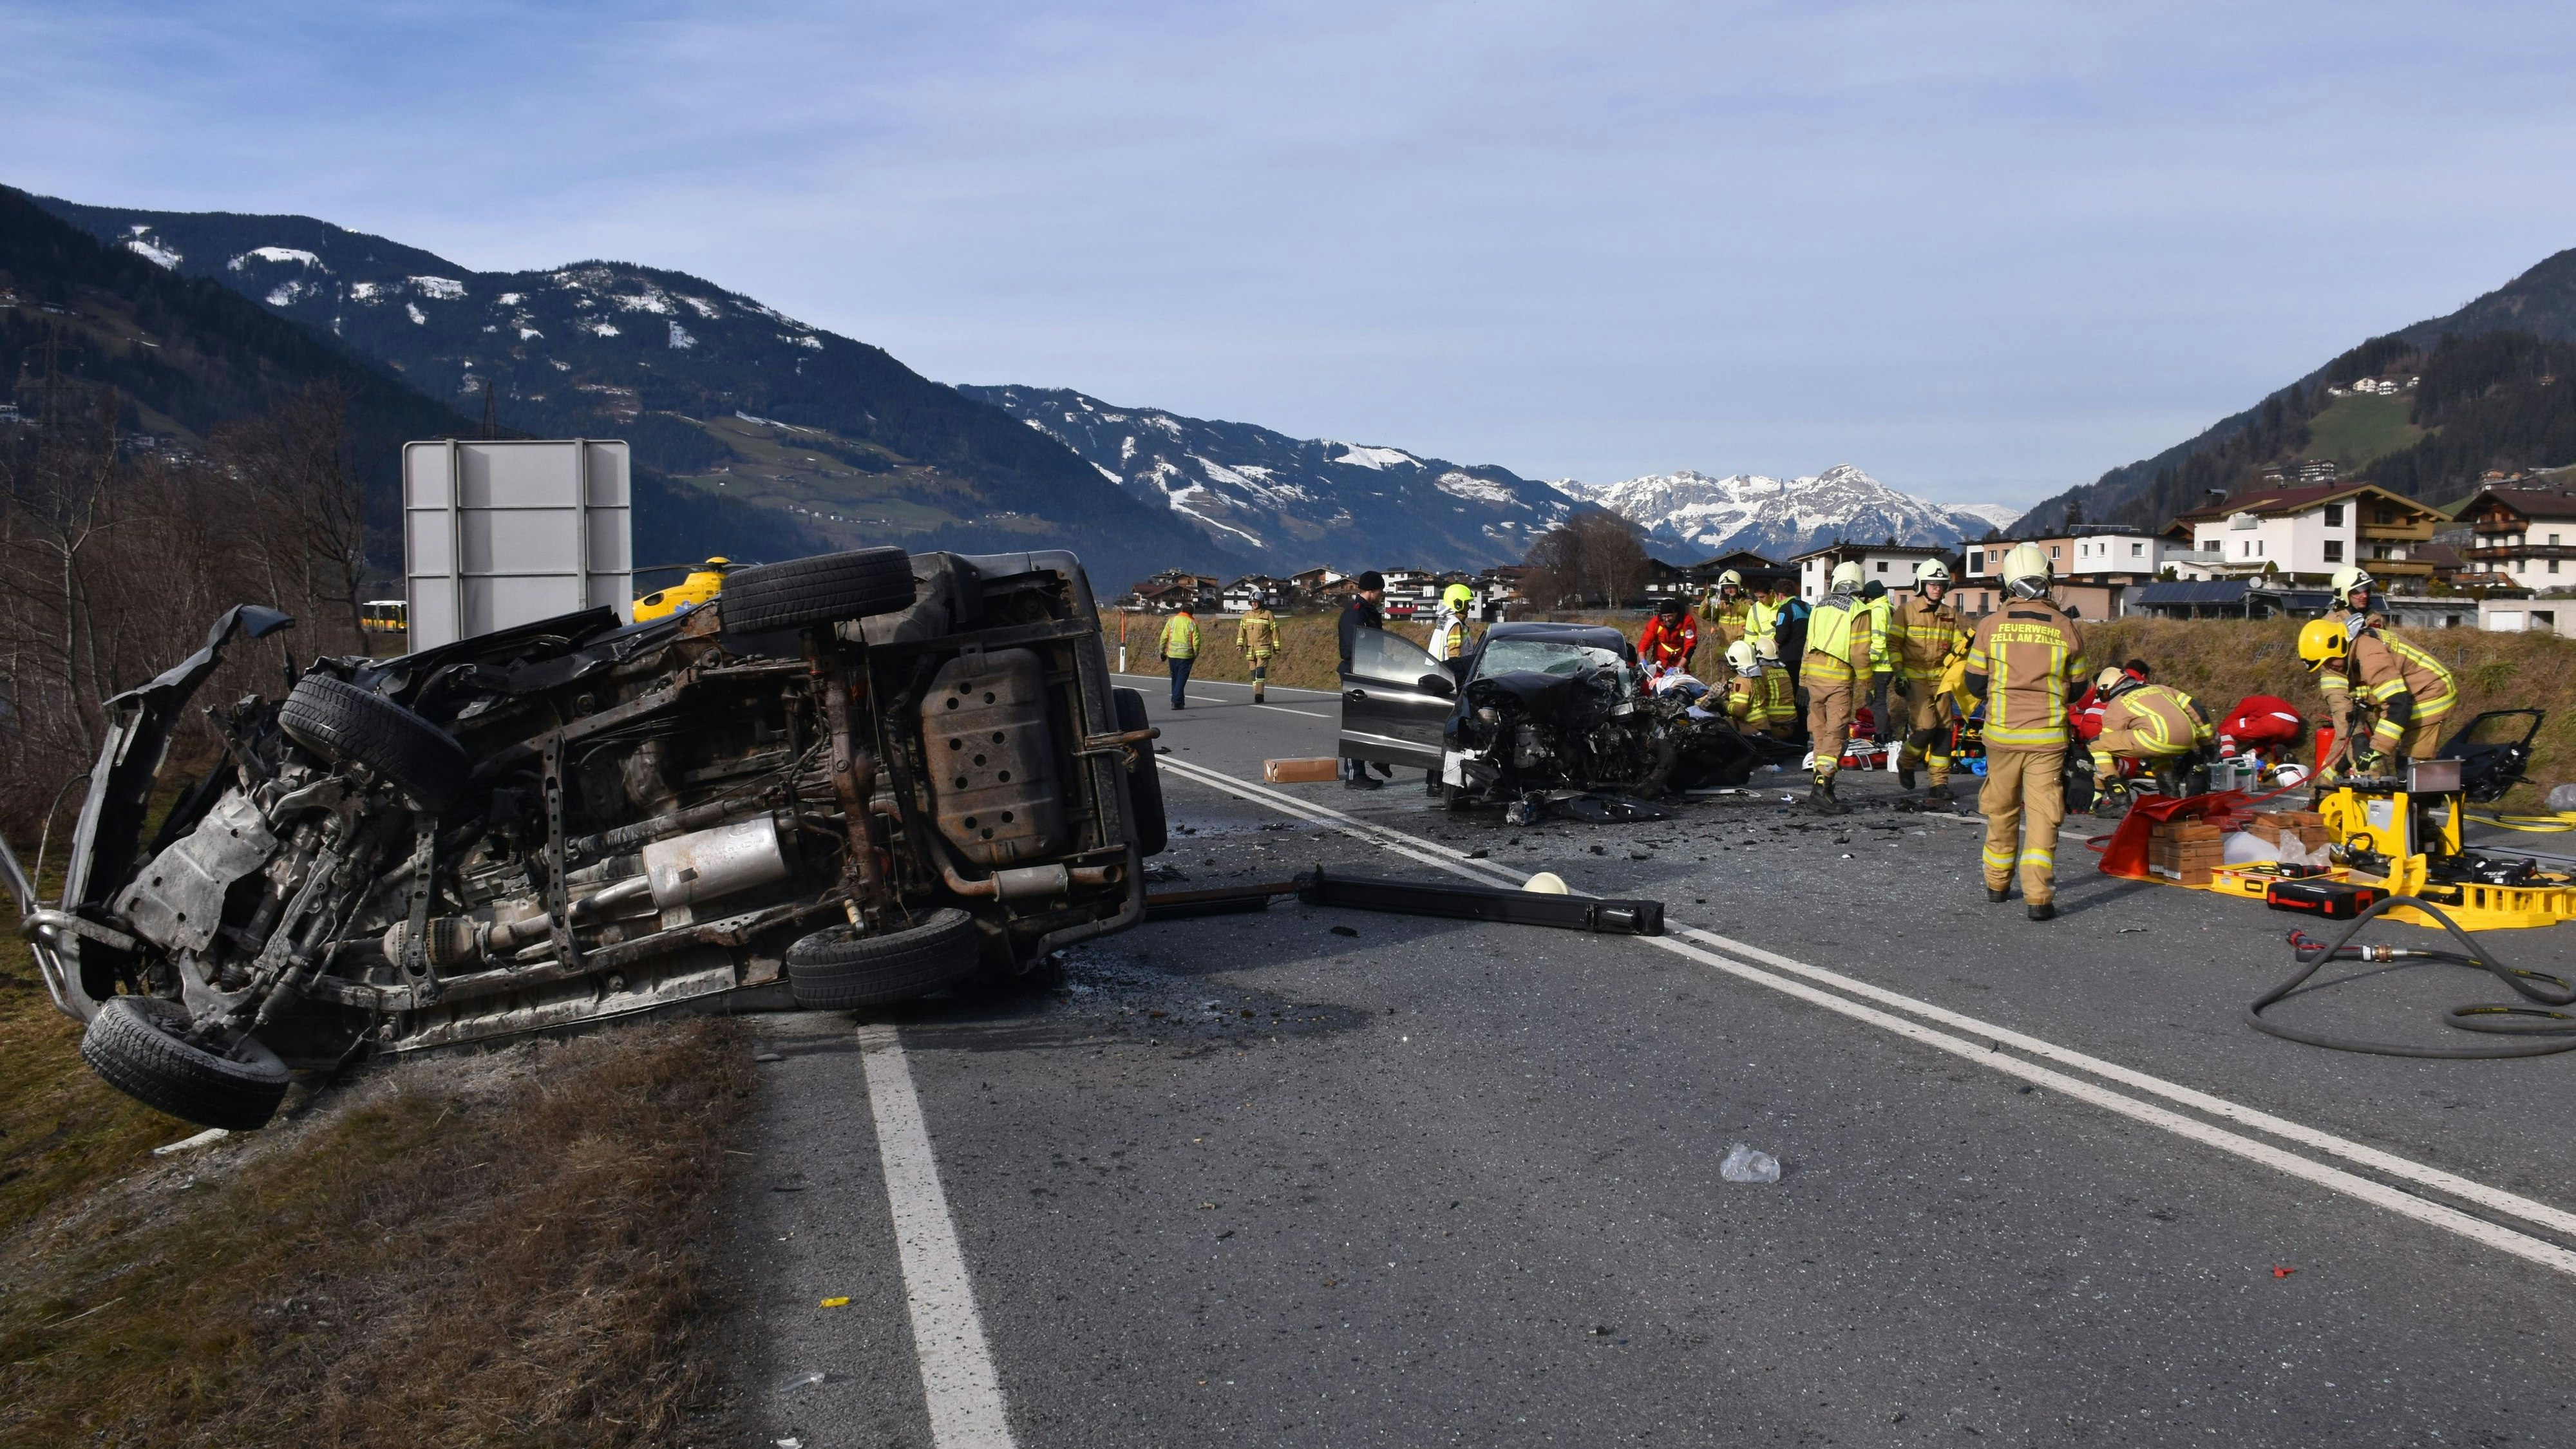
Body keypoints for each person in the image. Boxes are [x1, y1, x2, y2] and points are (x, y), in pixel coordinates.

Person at [1964, 543, 2087, 921]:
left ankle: (1997, 884)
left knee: (2001, 811)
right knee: (2043, 816)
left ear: (2007, 583)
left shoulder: (1990, 626)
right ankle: (2038, 897)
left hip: (2002, 735)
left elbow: (1973, 683)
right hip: (2047, 738)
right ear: (2047, 580)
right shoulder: (2065, 627)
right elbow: (2080, 687)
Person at [2298, 614, 2458, 775]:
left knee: (2410, 764)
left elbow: (2397, 705)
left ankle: (2422, 798)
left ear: (2339, 647)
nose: (2329, 667)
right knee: (2402, 763)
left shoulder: (2371, 656)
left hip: (2431, 694)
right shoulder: (2352, 651)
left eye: (2328, 661)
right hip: (2409, 695)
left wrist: (2376, 750)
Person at [1801, 561, 1888, 815]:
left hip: (1814, 677)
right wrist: (1869, 683)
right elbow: (1860, 653)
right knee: (1836, 734)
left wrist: (1802, 681)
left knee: (1818, 732)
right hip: (1838, 677)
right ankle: (1822, 790)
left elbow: (1808, 645)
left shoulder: (1819, 605)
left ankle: (1819, 787)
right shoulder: (1859, 610)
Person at [1887, 558, 1967, 804]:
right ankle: (1907, 761)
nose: (1937, 588)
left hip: (1941, 679)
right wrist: (1898, 671)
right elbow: (1893, 644)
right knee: (1926, 726)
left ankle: (1939, 783)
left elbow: (1958, 647)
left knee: (1945, 730)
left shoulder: (1950, 615)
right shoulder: (1906, 612)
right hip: (1914, 677)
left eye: (1941, 584)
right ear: (1921, 585)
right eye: (1932, 584)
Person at [2086, 667, 2216, 815]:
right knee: (2158, 754)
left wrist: (2099, 785)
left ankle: (2120, 801)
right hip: (2188, 739)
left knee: (2096, 744)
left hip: (2156, 739)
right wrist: (2207, 743)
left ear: (2106, 689)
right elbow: (2197, 709)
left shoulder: (2118, 703)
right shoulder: (2162, 689)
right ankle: (2170, 797)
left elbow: (2109, 743)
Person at [2317, 565, 2391, 744]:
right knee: (2354, 737)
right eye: (2357, 591)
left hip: (2368, 685)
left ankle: (2329, 773)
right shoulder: (2330, 622)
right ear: (2343, 593)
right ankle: (2370, 774)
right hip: (2339, 685)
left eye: (2366, 590)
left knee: (2351, 738)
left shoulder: (2375, 618)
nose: (2364, 595)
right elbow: (2334, 662)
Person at [1337, 572, 1388, 790]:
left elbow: (1376, 642)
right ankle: (1354, 775)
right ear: (1371, 590)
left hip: (1369, 672)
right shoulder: (1355, 614)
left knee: (1369, 721)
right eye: (1380, 590)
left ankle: (1373, 760)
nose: (1382, 594)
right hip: (1356, 673)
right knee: (1355, 724)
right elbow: (1351, 648)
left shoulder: (1369, 612)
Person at [1697, 569, 1752, 672]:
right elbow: (1704, 615)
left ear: (1739, 587)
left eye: (1732, 587)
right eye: (1726, 588)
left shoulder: (1747, 603)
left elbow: (1749, 612)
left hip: (1743, 652)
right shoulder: (1720, 605)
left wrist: (1734, 603)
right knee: (1726, 684)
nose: (1729, 591)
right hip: (1725, 653)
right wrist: (1707, 600)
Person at [1637, 596, 1698, 679]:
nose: (1667, 620)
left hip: (1679, 666)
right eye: (1664, 617)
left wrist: (1677, 669)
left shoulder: (1687, 622)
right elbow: (1644, 643)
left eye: (1670, 616)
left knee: (1684, 686)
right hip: (1659, 667)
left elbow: (1690, 647)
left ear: (1676, 614)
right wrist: (1642, 660)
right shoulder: (1656, 623)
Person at [1755, 636, 1800, 740]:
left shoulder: (1761, 673)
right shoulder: (1784, 671)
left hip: (1774, 726)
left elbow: (1753, 696)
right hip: (1791, 724)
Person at [1237, 596, 1281, 703]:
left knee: (1260, 673)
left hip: (1263, 649)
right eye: (1252, 602)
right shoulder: (1246, 616)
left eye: (1256, 602)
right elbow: (1241, 632)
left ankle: (1259, 695)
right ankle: (1257, 692)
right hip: (1251, 651)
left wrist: (1277, 647)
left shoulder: (1268, 615)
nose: (1254, 604)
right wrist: (1240, 644)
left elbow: (1275, 631)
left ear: (1261, 602)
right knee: (1253, 675)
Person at [1158, 603, 1202, 710]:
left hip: (1172, 655)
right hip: (1186, 655)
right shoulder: (1192, 623)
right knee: (1182, 679)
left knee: (1176, 678)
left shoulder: (1172, 620)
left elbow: (1164, 636)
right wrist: (1195, 654)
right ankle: (1176, 701)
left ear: (1181, 610)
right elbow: (1197, 641)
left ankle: (1180, 702)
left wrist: (1161, 651)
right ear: (1192, 612)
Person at [1720, 639, 1765, 726]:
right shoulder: (1756, 676)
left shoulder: (1742, 681)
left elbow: (1740, 711)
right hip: (1762, 725)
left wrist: (1724, 704)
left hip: (1752, 727)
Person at [1430, 582, 1476, 663]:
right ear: (1458, 604)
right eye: (1466, 603)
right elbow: (1454, 655)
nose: (1469, 607)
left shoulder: (1447, 621)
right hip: (1448, 672)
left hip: (1438, 670)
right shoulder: (1455, 624)